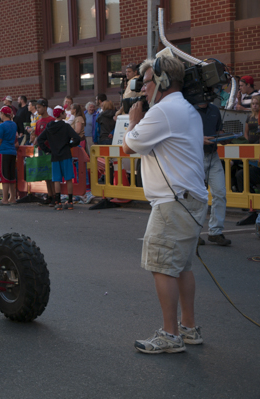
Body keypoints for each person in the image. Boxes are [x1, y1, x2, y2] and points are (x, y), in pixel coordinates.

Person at [123, 56, 208, 354]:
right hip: (188, 200)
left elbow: (127, 146)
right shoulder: (185, 109)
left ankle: (170, 335)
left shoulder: (163, 111)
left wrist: (133, 122)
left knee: (163, 267)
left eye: (145, 83)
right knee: (181, 267)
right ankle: (188, 328)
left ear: (161, 81)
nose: (142, 91)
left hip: (173, 203)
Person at [196, 102, 231, 246]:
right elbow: (180, 136)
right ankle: (193, 233)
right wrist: (199, 139)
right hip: (195, 156)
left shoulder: (215, 109)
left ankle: (215, 231)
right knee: (196, 196)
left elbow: (218, 131)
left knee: (220, 193)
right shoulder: (188, 109)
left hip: (212, 155)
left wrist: (225, 137)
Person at [37, 105, 81, 210]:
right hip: (65, 154)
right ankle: (70, 201)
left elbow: (40, 140)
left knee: (56, 179)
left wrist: (48, 150)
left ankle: (58, 201)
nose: (65, 114)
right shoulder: (65, 126)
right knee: (68, 178)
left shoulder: (49, 127)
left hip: (55, 155)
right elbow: (77, 138)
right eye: (64, 112)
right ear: (61, 114)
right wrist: (70, 145)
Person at [30, 98, 56, 205]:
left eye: (39, 107)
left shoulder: (51, 120)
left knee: (51, 174)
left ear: (45, 107)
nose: (38, 110)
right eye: (37, 108)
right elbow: (36, 136)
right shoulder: (38, 121)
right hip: (41, 149)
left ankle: (54, 196)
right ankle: (49, 195)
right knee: (45, 175)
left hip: (49, 150)